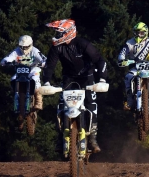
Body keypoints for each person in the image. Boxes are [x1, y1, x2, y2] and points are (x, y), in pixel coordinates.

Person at [43, 19, 107, 154]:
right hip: (69, 78)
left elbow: (99, 60)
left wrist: (101, 79)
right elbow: (50, 65)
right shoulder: (56, 47)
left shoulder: (82, 44)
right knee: (61, 105)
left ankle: (93, 139)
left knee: (91, 104)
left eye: (59, 33)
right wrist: (47, 82)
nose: (56, 36)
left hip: (87, 77)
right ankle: (61, 138)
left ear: (69, 33)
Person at [118, 22, 149, 111]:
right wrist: (122, 59)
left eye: (141, 33)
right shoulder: (129, 43)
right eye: (137, 32)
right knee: (128, 77)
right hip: (135, 68)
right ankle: (130, 102)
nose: (139, 35)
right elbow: (122, 52)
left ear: (146, 32)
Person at [0, 35, 46, 110]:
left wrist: (43, 63)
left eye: (26, 47)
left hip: (33, 69)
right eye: (22, 46)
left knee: (36, 80)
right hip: (20, 71)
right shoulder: (16, 51)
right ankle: (16, 96)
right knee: (13, 79)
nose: (24, 49)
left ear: (30, 45)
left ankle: (38, 101)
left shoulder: (35, 51)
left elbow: (44, 59)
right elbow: (8, 57)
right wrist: (6, 61)